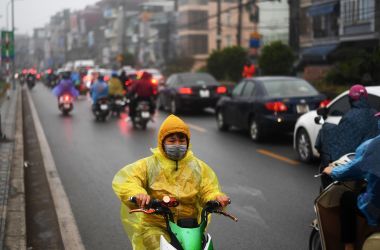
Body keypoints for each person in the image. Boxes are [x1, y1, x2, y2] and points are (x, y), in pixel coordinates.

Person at [112, 114, 230, 250]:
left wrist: (216, 198)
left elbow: (208, 189)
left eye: (181, 140)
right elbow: (129, 182)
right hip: (155, 226)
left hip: (190, 228)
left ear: (188, 142)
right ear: (162, 142)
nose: (177, 144)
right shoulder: (148, 165)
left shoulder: (198, 167)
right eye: (172, 141)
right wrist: (139, 194)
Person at [323, 115, 380, 250]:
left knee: (347, 198)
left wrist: (332, 171)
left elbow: (356, 169)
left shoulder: (375, 145)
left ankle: (349, 246)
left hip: (376, 207)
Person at [315, 84, 379, 188]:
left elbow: (343, 148)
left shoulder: (349, 117)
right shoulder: (375, 114)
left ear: (351, 99)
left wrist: (333, 170)